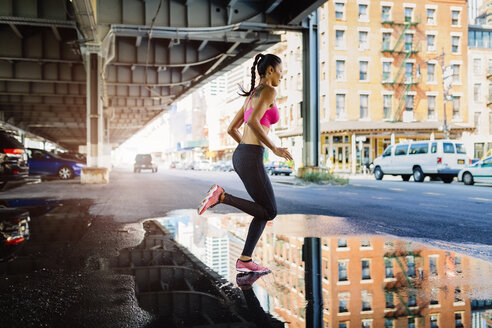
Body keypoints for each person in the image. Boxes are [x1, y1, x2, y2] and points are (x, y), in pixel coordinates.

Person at [197, 53, 292, 273]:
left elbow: (232, 128)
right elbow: (252, 121)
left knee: (264, 210)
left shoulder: (251, 95)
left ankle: (245, 260)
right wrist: (274, 148)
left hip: (242, 155)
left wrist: (245, 148)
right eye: (280, 71)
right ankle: (221, 196)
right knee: (269, 211)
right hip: (248, 156)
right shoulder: (269, 91)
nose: (281, 76)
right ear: (270, 70)